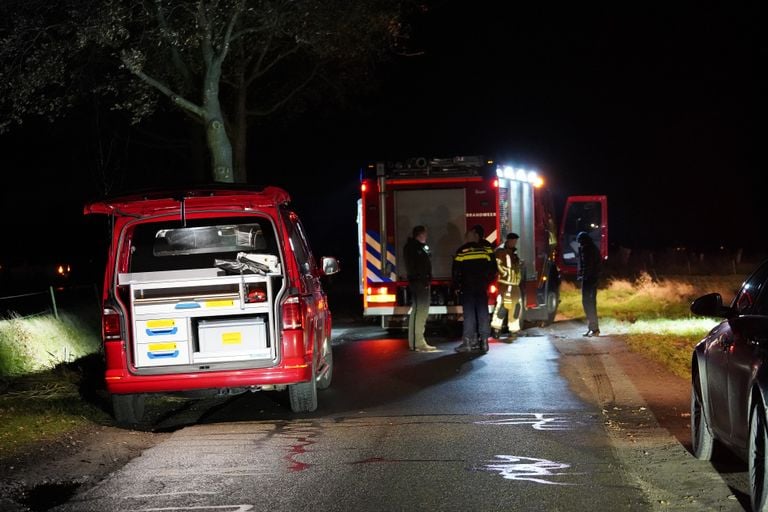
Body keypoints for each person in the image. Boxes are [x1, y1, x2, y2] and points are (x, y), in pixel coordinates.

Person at [452, 228, 497, 353]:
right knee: (483, 313)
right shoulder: (484, 251)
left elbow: (456, 271)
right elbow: (492, 268)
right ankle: (484, 342)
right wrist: (486, 281)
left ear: (467, 238)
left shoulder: (461, 251)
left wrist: (456, 286)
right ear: (475, 238)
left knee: (469, 315)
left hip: (467, 288)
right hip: (481, 287)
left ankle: (467, 342)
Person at [403, 225, 439, 352]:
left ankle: (415, 342)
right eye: (425, 234)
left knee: (418, 311)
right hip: (419, 283)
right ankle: (418, 342)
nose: (427, 236)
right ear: (421, 234)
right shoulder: (415, 248)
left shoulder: (413, 247)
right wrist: (424, 280)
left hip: (418, 282)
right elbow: (417, 267)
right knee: (421, 311)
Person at [491, 232, 523, 340]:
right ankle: (496, 329)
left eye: (516, 241)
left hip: (514, 285)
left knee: (516, 308)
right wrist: (505, 274)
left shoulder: (514, 253)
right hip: (505, 285)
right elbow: (497, 265)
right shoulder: (501, 252)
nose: (514, 243)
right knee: (502, 306)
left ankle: (513, 330)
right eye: (513, 241)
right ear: (508, 241)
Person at [576, 231, 601, 337]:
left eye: (580, 242)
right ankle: (593, 328)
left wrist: (583, 276)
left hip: (589, 281)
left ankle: (594, 329)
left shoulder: (587, 250)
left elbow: (588, 266)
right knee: (590, 304)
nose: (579, 244)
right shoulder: (592, 248)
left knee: (588, 303)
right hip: (592, 280)